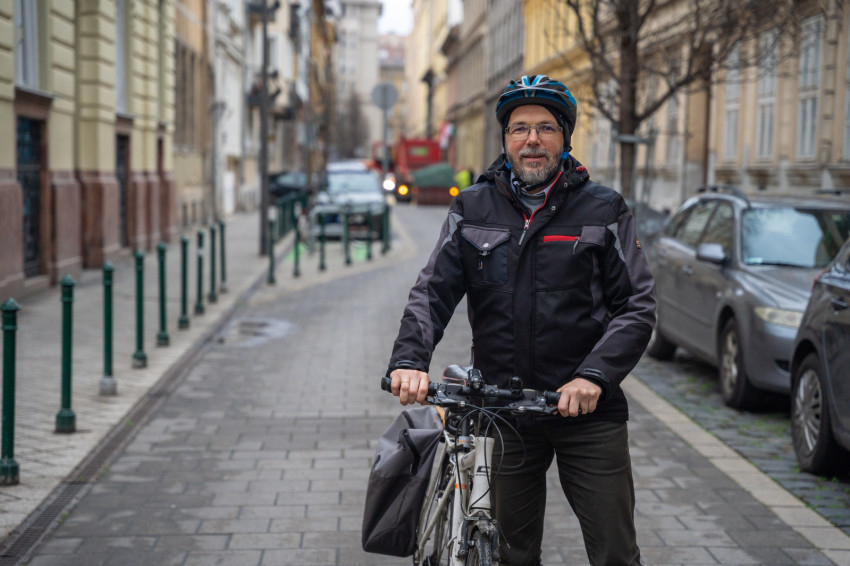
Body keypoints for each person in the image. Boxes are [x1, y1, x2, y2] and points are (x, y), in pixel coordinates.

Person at [385, 74, 655, 566]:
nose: (532, 139)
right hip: (502, 410)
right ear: (506, 139)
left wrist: (594, 377)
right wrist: (409, 360)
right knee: (509, 554)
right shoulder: (472, 206)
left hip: (586, 413)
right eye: (519, 129)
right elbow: (431, 292)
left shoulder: (604, 209)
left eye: (546, 128)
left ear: (564, 138)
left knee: (615, 554)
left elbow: (636, 305)